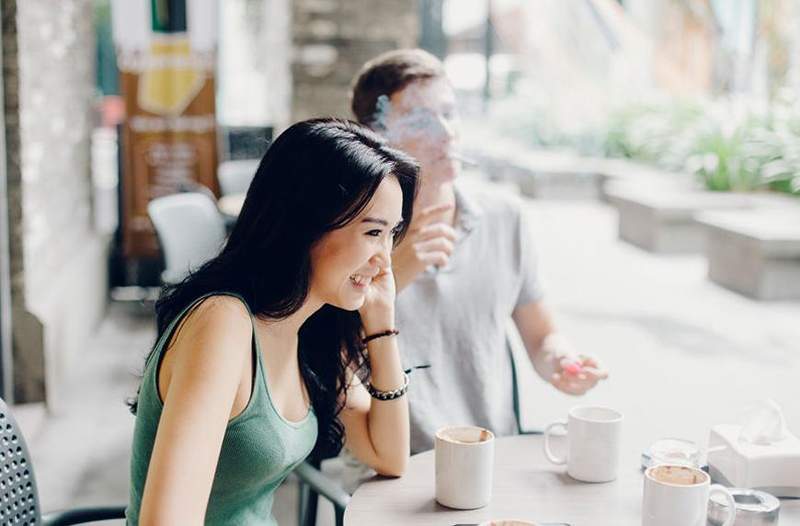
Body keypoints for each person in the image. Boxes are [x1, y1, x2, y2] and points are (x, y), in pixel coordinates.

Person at [126, 118, 419, 525]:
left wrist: (381, 324)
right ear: (306, 223)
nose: (385, 258)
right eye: (373, 232)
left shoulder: (308, 325)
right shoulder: (222, 325)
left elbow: (388, 456)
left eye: (392, 234)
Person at [350, 49, 609, 454]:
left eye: (450, 113)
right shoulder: (351, 230)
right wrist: (396, 271)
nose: (446, 133)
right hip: (391, 465)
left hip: (492, 455)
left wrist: (560, 361)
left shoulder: (505, 217)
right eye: (420, 120)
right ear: (374, 137)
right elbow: (321, 355)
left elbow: (541, 337)